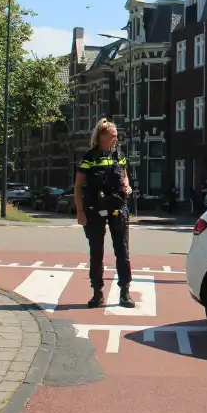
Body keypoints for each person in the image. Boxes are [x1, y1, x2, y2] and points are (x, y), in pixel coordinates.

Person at [75, 118, 135, 309]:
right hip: (95, 209)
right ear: (102, 136)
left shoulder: (119, 155)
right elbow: (78, 187)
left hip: (118, 207)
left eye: (116, 137)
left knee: (122, 251)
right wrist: (80, 211)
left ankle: (125, 292)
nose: (115, 140)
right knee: (96, 252)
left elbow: (125, 175)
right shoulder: (89, 158)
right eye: (112, 136)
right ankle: (97, 293)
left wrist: (127, 186)